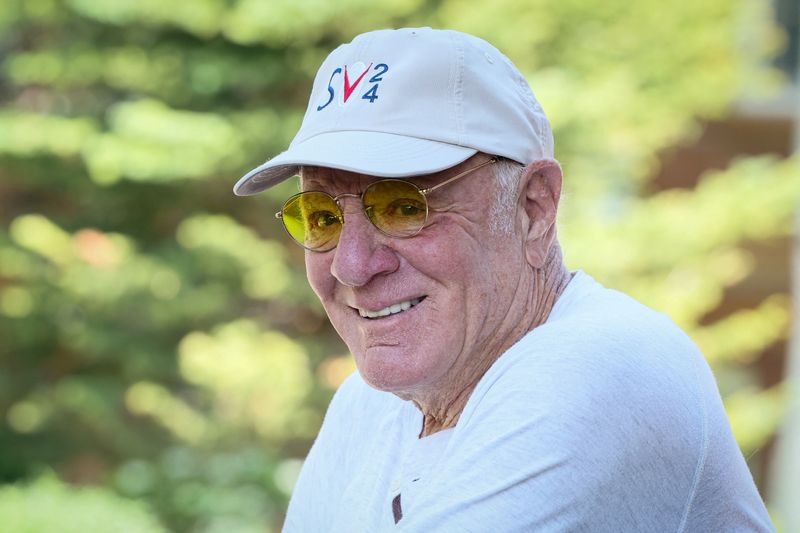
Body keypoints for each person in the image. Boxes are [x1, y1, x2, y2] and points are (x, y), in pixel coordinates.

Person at [234, 27, 774, 532]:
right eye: (321, 216)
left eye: (401, 206)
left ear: (534, 207)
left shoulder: (604, 364)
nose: (351, 265)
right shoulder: (369, 403)